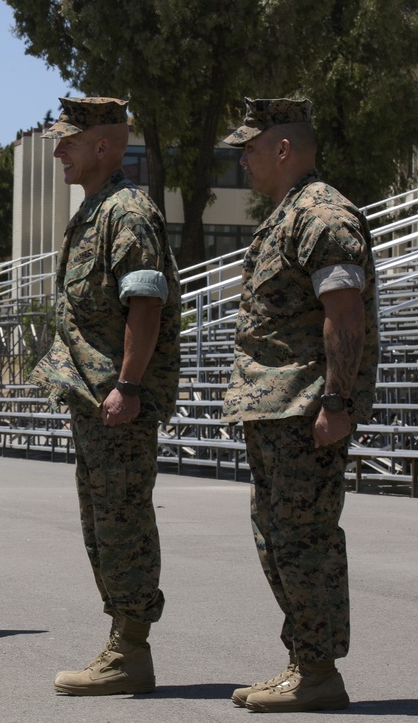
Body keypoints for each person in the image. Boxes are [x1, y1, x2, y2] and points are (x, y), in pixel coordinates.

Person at [221, 98, 378, 713]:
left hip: (307, 410)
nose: (243, 160)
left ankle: (318, 671)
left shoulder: (322, 216)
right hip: (278, 410)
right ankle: (303, 663)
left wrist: (336, 401)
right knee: (279, 540)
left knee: (304, 541)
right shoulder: (287, 215)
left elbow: (346, 312)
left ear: (282, 148)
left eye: (250, 148)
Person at [30, 97, 181, 696]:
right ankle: (123, 640)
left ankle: (131, 650)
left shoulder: (127, 211)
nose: (59, 149)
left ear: (104, 146)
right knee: (102, 522)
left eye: (70, 140)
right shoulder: (95, 210)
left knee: (121, 521)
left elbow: (145, 302)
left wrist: (128, 385)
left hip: (117, 400)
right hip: (94, 398)